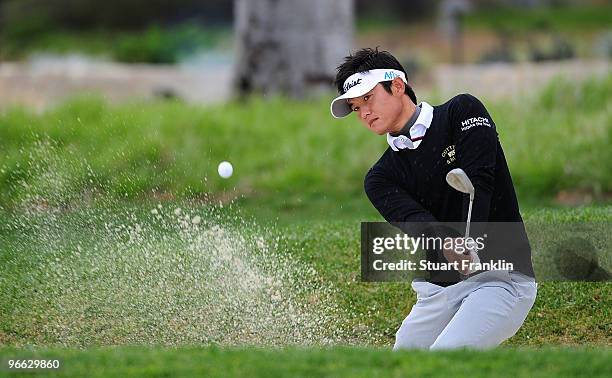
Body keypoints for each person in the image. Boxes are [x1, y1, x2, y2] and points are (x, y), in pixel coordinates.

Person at [330, 48, 537, 350]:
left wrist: (471, 241)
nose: (363, 113)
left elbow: (480, 180)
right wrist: (446, 242)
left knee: (445, 358)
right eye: (355, 107)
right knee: (403, 362)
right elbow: (417, 223)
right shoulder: (380, 177)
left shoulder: (462, 112)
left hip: (501, 278)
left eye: (368, 99)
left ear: (397, 86)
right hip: (438, 292)